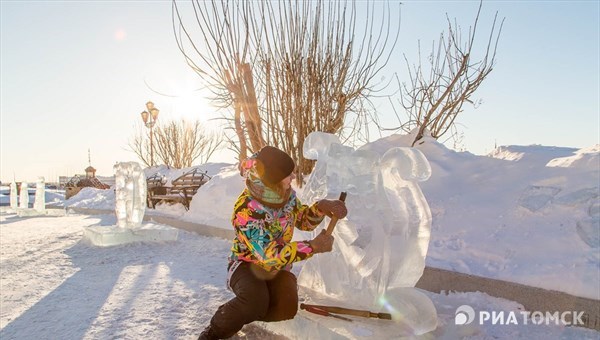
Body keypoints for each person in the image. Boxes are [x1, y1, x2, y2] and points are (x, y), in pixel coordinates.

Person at [199, 146, 347, 340]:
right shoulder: (246, 209)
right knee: (254, 302)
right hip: (246, 265)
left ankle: (249, 309)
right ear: (273, 179)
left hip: (276, 267)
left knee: (286, 308)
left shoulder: (286, 195)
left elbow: (302, 220)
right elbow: (269, 255)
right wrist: (312, 247)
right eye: (288, 174)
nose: (293, 177)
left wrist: (320, 208)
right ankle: (217, 329)